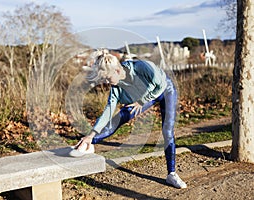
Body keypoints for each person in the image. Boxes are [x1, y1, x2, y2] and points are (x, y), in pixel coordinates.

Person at [71, 49, 187, 189]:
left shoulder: (142, 66)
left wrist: (141, 101)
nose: (107, 82)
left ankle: (172, 174)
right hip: (146, 97)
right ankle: (88, 144)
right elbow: (108, 112)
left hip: (166, 90)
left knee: (167, 131)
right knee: (119, 118)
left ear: (118, 71)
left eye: (108, 78)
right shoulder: (116, 87)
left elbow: (160, 85)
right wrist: (91, 135)